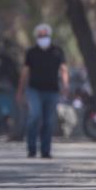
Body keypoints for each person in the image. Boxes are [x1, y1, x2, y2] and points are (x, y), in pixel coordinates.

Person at [17, 24, 68, 158]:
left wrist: (65, 85)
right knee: (35, 115)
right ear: (36, 37)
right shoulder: (31, 52)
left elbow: (63, 69)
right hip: (34, 90)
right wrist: (20, 91)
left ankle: (46, 151)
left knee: (48, 121)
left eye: (45, 35)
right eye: (40, 35)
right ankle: (31, 148)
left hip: (52, 91)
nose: (43, 38)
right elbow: (25, 72)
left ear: (49, 36)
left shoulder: (58, 51)